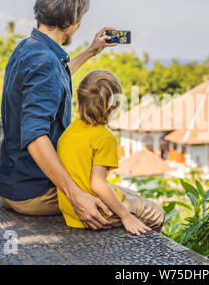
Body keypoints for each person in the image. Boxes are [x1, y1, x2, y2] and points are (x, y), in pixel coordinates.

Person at [0, 0, 118, 230]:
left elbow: (55, 79)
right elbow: (35, 136)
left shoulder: (30, 48)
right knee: (143, 210)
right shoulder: (45, 62)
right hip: (35, 192)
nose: (79, 24)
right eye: (80, 18)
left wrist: (91, 52)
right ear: (68, 22)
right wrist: (76, 196)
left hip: (12, 185)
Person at [57, 70, 165, 235]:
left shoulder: (69, 131)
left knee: (132, 194)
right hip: (97, 210)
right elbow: (98, 184)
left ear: (79, 100)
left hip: (69, 209)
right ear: (114, 106)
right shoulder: (104, 137)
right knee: (157, 214)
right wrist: (125, 216)